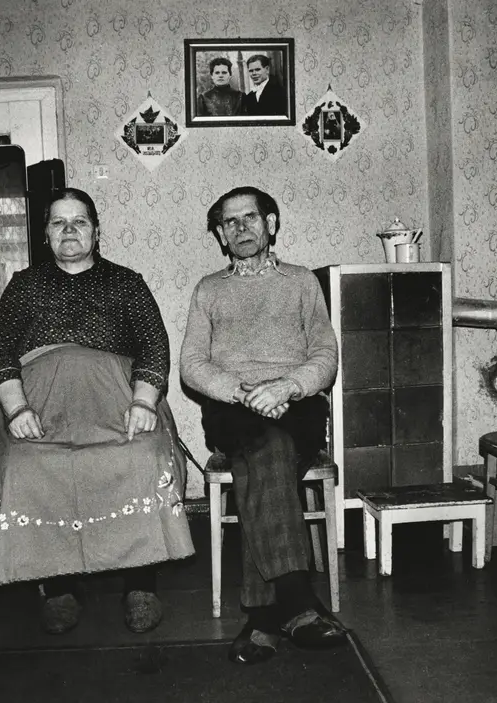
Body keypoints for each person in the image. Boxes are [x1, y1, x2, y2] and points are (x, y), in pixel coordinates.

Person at [0, 188, 194, 636]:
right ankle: (59, 587)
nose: (69, 230)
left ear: (96, 232)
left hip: (117, 404)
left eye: (79, 221)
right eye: (59, 223)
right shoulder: (24, 285)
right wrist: (17, 408)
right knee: (27, 465)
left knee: (142, 456)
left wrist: (143, 401)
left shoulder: (126, 282)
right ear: (46, 234)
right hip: (40, 409)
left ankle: (141, 583)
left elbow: (154, 346)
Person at [179, 186, 346, 665]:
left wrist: (286, 387)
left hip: (295, 402)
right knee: (268, 448)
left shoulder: (300, 282)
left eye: (250, 218)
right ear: (219, 234)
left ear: (271, 223)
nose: (241, 229)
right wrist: (243, 392)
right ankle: (297, 602)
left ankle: (263, 617)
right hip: (233, 405)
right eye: (229, 223)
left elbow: (325, 357)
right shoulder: (208, 289)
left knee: (264, 458)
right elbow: (192, 364)